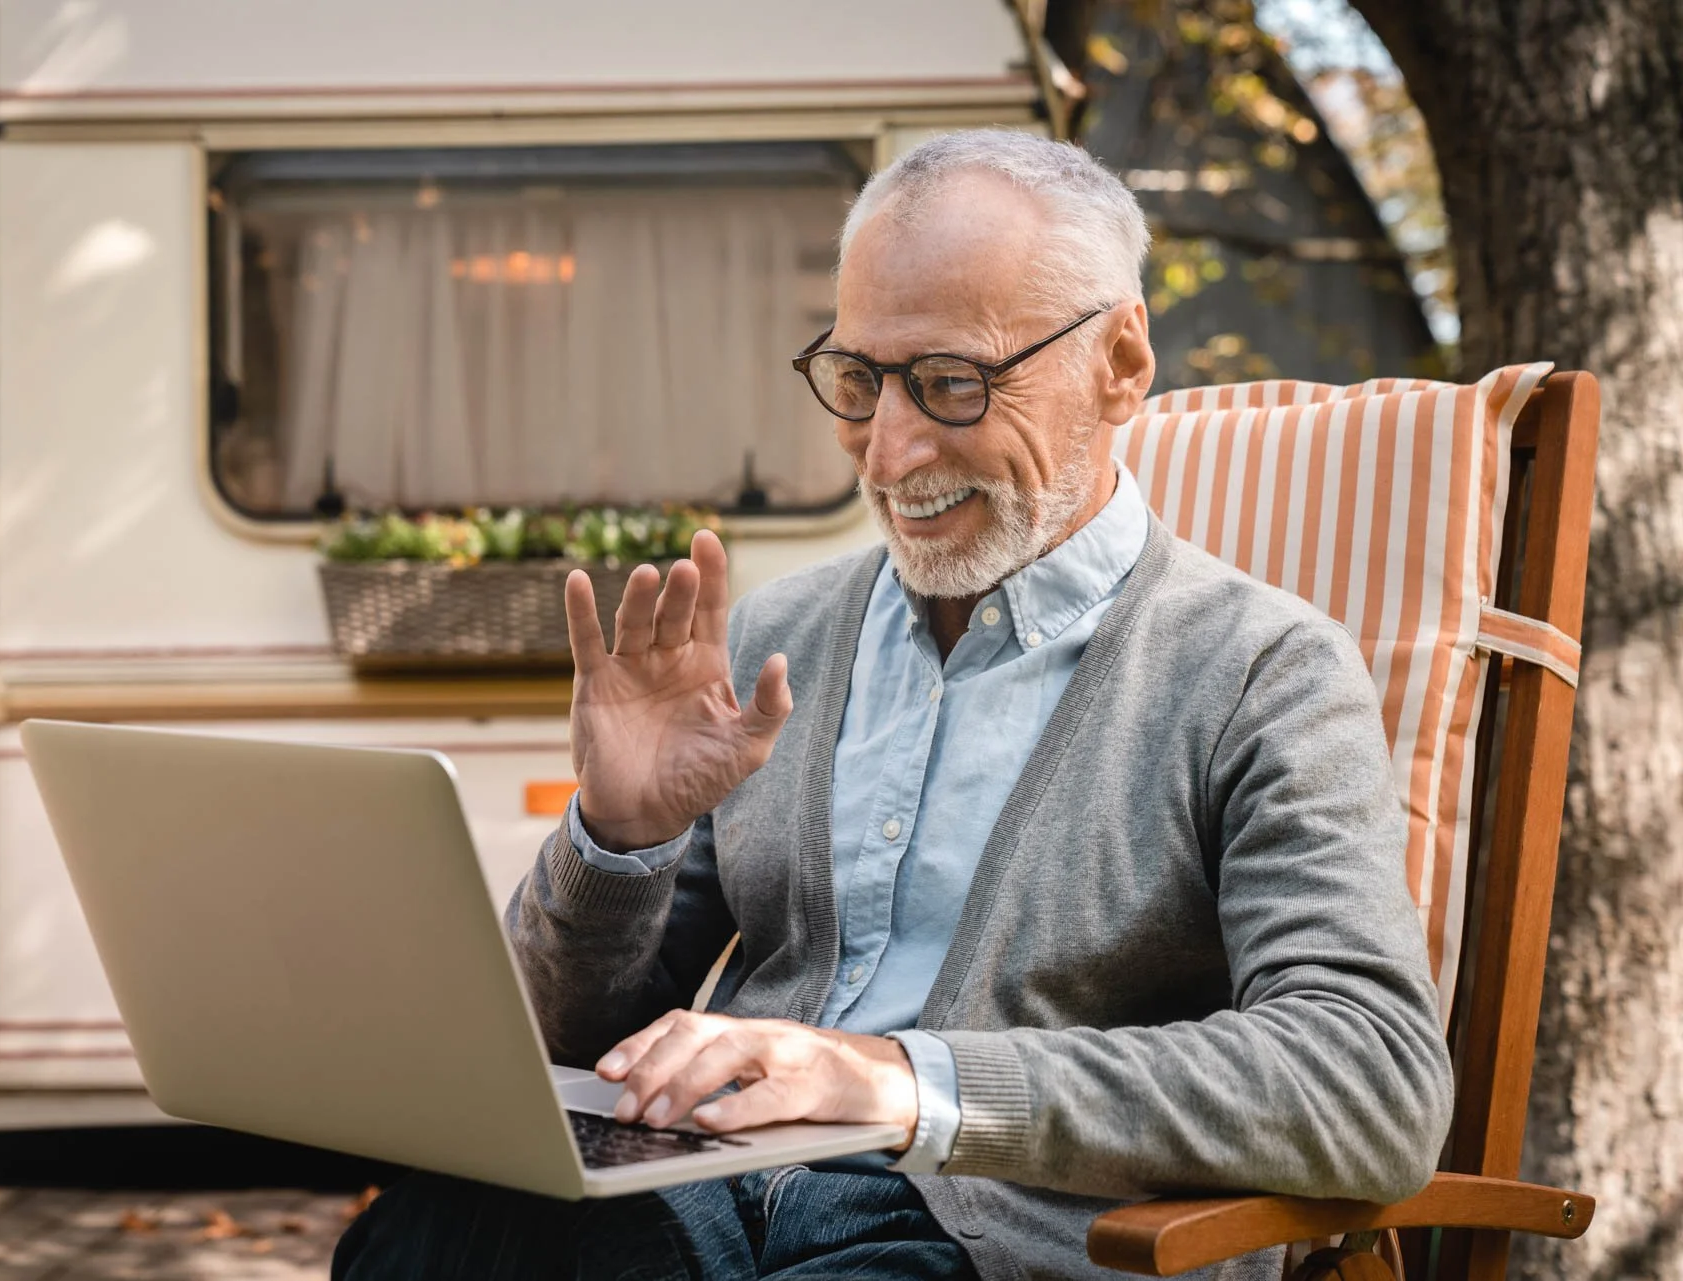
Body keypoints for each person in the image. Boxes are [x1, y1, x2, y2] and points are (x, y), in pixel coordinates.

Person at [335, 129, 1453, 1281]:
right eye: (861, 381)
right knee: (430, 1235)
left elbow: (1370, 1082)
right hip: (703, 1197)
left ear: (1120, 361)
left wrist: (901, 1081)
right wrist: (621, 840)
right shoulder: (780, 642)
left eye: (953, 383)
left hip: (997, 1243)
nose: (889, 452)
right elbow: (557, 1042)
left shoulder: (1262, 674)